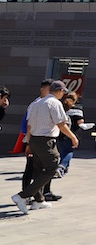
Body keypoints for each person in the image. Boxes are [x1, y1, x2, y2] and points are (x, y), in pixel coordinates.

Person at [11, 81, 78, 215]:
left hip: (34, 139)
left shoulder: (36, 103)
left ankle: (39, 200)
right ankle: (23, 196)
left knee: (38, 169)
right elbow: (61, 124)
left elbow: (29, 124)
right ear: (59, 91)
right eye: (63, 92)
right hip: (45, 140)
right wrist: (73, 137)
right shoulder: (54, 103)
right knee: (52, 167)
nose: (63, 94)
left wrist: (29, 143)